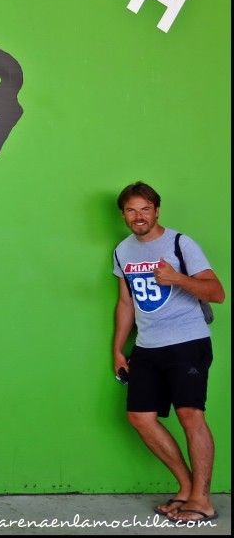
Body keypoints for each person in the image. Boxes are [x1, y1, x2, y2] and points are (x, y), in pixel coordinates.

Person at [111, 181, 224, 525]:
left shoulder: (179, 242)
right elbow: (126, 301)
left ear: (157, 210)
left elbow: (217, 292)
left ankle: (202, 501)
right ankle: (187, 488)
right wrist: (118, 349)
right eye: (131, 210)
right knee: (140, 417)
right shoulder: (123, 251)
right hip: (147, 346)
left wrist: (176, 278)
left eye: (145, 209)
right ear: (124, 215)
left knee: (191, 415)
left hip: (187, 343)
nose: (138, 216)